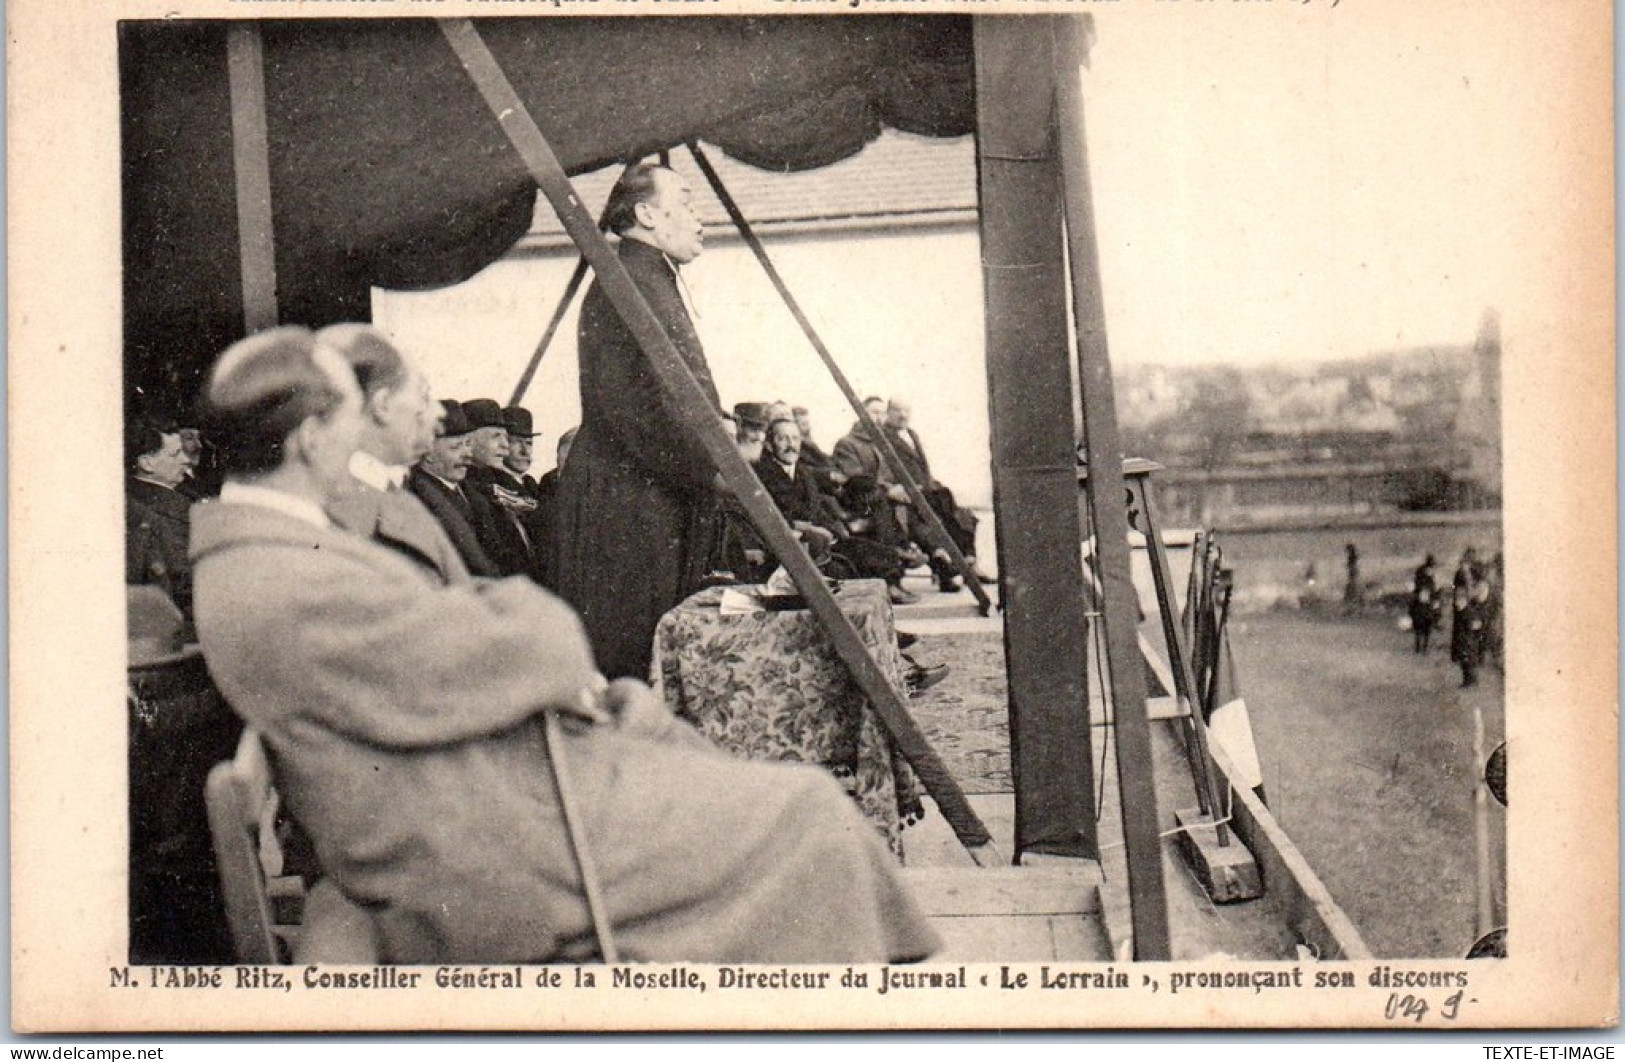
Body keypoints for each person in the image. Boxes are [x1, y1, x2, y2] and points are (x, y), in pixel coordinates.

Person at [188, 326, 940, 965]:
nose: (364, 443)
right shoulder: (278, 577)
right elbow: (527, 648)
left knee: (763, 794)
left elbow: (461, 648)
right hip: (484, 850)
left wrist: (507, 629)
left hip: (482, 797)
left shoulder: (270, 550)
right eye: (354, 418)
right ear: (312, 437)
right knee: (804, 816)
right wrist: (525, 620)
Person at [554, 162, 725, 680]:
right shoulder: (634, 279)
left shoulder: (644, 274)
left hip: (644, 491)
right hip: (627, 503)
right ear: (648, 214)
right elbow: (652, 409)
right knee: (631, 655)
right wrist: (713, 468)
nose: (700, 217)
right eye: (688, 202)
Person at [318, 323, 471, 586]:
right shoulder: (344, 513)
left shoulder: (387, 495)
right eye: (424, 396)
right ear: (383, 406)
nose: (439, 412)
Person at [881, 398, 992, 593]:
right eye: (897, 410)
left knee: (963, 517)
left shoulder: (911, 434)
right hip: (907, 495)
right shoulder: (883, 436)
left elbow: (922, 467)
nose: (903, 415)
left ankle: (969, 564)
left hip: (926, 491)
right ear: (888, 412)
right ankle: (945, 573)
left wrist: (931, 482)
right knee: (925, 527)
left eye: (906, 410)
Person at [408, 400, 499, 577]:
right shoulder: (418, 496)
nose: (467, 454)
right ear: (428, 454)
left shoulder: (474, 493)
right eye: (456, 447)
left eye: (467, 444)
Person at [460, 397, 546, 583]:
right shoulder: (474, 487)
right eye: (496, 436)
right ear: (469, 440)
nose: (505, 446)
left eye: (506, 438)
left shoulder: (484, 484)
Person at [125, 417, 195, 617]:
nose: (186, 460)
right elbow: (184, 583)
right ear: (146, 463)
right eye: (175, 454)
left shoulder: (136, 497)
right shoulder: (158, 513)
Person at [1408, 553, 1441, 655]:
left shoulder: (1422, 572)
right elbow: (1430, 587)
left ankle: (1420, 647)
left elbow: (1430, 587)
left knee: (1421, 624)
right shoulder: (1425, 573)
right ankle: (1422, 647)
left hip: (1423, 601)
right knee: (1425, 623)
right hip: (1424, 602)